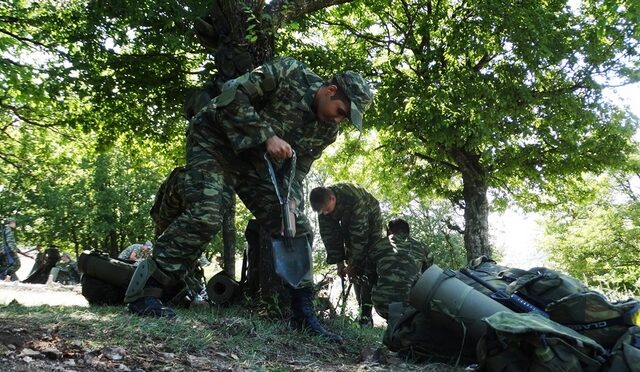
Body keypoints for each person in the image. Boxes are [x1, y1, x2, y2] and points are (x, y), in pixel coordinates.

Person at [126, 57, 373, 343]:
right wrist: (266, 136)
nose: (338, 119)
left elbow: (299, 167)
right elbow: (232, 96)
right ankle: (145, 293)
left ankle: (302, 315)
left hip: (256, 166)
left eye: (344, 118)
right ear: (330, 90)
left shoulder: (327, 130)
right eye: (340, 111)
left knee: (296, 226)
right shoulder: (290, 72)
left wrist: (291, 203)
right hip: (215, 141)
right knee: (207, 214)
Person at [309, 183, 384, 326]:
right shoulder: (324, 207)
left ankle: (366, 316)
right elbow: (330, 237)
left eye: (327, 210)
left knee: (367, 265)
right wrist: (339, 264)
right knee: (354, 271)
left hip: (370, 224)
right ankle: (361, 311)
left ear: (332, 198)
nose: (325, 213)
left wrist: (352, 264)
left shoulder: (354, 199)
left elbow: (359, 237)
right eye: (322, 212)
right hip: (349, 224)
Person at [369, 218, 433, 320]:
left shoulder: (378, 245)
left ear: (389, 230)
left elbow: (369, 275)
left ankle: (365, 318)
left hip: (383, 303)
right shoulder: (422, 247)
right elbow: (428, 276)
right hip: (413, 304)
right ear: (408, 231)